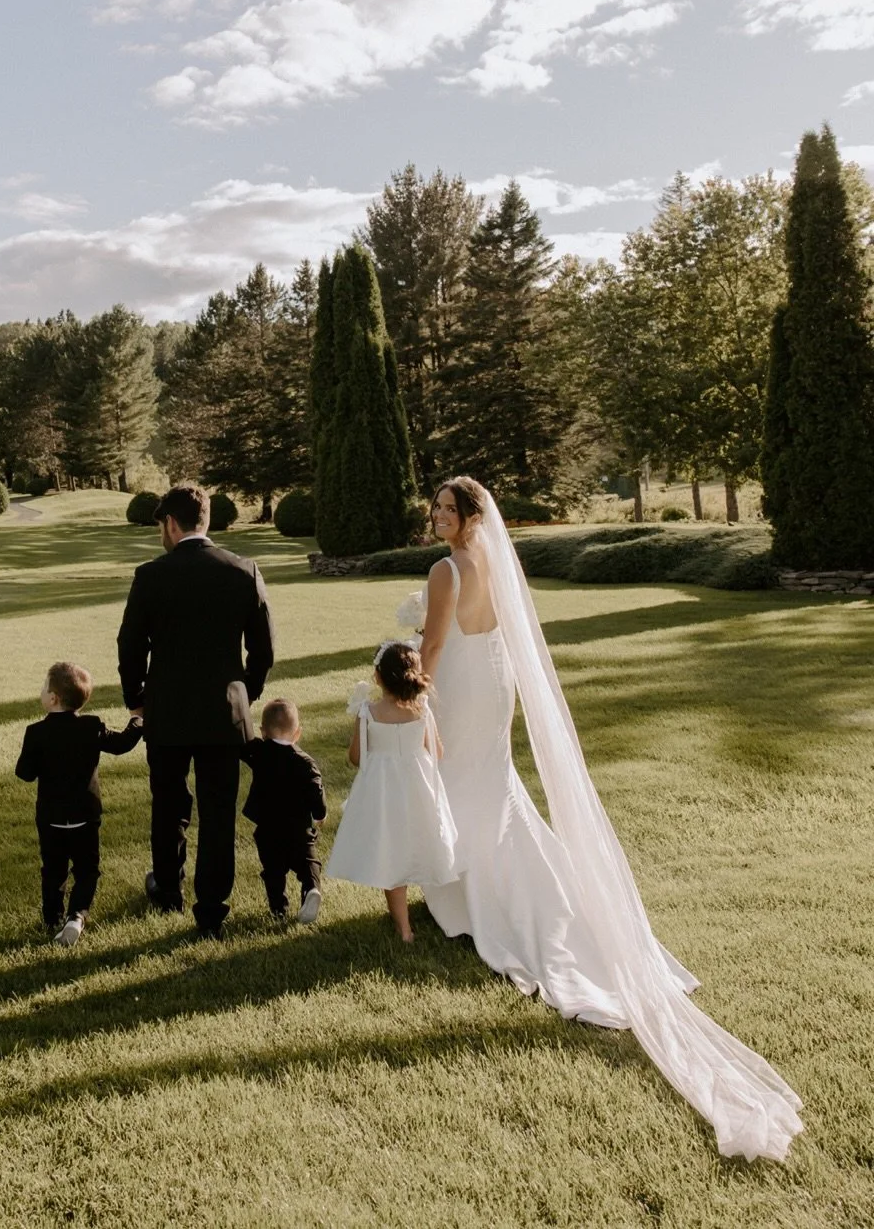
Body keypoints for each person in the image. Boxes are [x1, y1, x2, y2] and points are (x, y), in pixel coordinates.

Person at [414, 475, 802, 1161]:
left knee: (462, 786)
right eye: (437, 507)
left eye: (448, 508)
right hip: (495, 681)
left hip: (460, 684)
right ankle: (501, 884)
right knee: (490, 786)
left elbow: (437, 648)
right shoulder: (496, 561)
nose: (437, 516)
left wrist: (408, 693)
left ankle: (478, 899)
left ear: (473, 517)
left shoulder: (446, 571)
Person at [117, 483, 275, 939]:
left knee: (168, 805)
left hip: (165, 710)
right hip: (224, 713)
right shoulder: (243, 571)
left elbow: (131, 645)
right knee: (219, 808)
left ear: (170, 524)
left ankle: (168, 890)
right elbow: (263, 649)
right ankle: (211, 909)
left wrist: (136, 698)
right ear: (205, 520)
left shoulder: (150, 575)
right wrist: (245, 694)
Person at [326, 641, 460, 943]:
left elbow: (356, 757)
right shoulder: (422, 711)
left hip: (383, 793)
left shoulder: (368, 712)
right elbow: (436, 752)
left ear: (378, 677)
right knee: (421, 843)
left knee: (391, 853)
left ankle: (404, 929)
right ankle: (439, 908)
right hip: (417, 789)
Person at [15, 661, 143, 945]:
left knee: (53, 869)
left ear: (53, 698)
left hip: (51, 818)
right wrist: (137, 720)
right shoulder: (91, 726)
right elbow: (122, 745)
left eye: (44, 687)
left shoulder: (35, 732)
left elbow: (24, 774)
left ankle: (52, 918)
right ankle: (77, 916)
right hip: (86, 815)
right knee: (86, 869)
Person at [241, 697, 327, 924]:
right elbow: (316, 791)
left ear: (263, 731)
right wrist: (320, 814)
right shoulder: (305, 763)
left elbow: (243, 745)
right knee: (309, 863)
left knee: (273, 871)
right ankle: (311, 889)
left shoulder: (259, 753)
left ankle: (278, 908)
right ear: (297, 733)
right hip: (299, 830)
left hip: (268, 829)